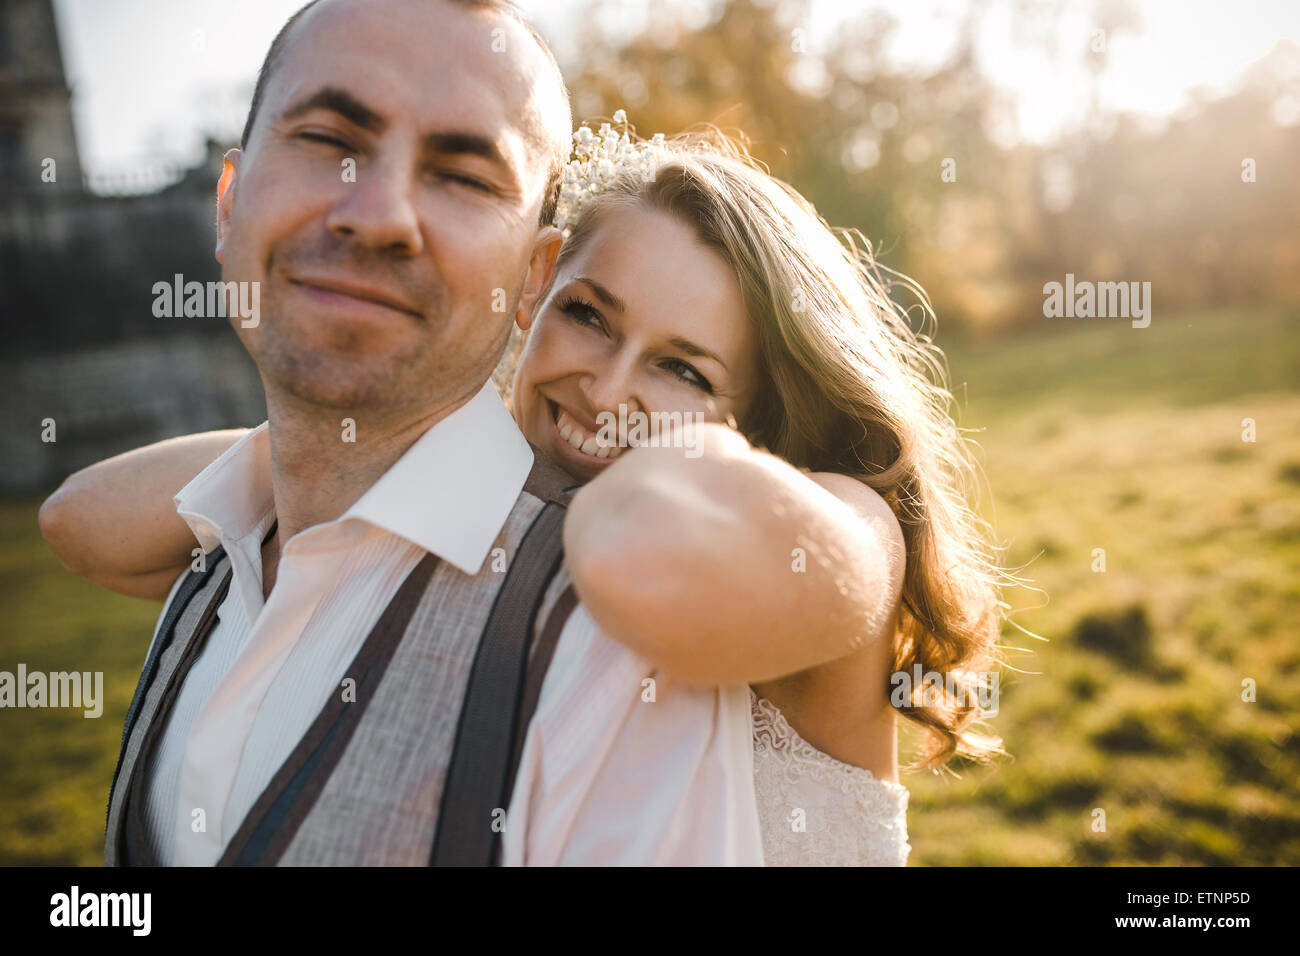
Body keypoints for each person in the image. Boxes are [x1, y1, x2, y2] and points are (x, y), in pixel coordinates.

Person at [44, 114, 1012, 864]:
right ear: (537, 288)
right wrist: (352, 445)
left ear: (760, 411)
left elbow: (643, 560)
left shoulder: (841, 521)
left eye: (682, 369)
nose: (607, 384)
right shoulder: (465, 500)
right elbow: (81, 523)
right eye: (588, 314)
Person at [40, 0, 771, 866]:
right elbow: (71, 520)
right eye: (328, 139)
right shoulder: (217, 548)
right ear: (229, 203)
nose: (378, 213)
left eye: (463, 176)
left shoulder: (610, 651)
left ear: (532, 275)